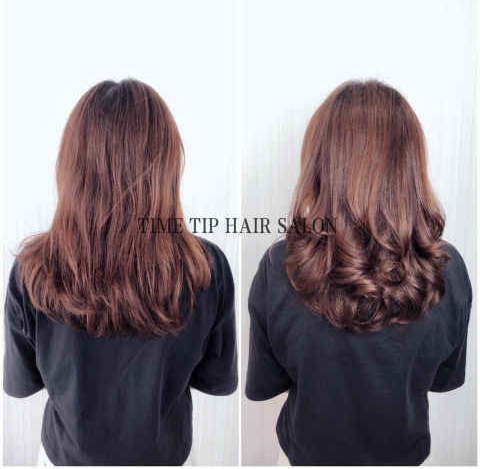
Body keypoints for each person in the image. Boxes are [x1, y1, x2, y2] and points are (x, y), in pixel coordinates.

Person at [4, 79, 238, 466]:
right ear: (165, 166)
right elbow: (217, 380)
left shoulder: (34, 271)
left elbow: (22, 383)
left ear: (72, 166)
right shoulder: (205, 269)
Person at [245, 80, 472, 466]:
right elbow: (442, 379)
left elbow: (267, 382)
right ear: (410, 165)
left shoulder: (280, 265)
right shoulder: (448, 268)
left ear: (320, 161)